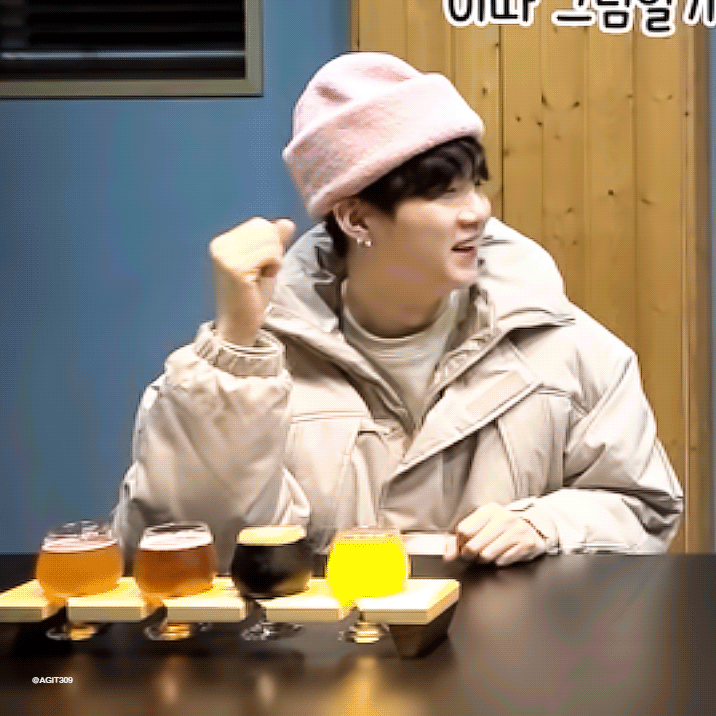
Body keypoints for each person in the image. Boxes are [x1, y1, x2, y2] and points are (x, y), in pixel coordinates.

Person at [112, 52, 682, 573]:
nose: (477, 212)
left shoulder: (568, 349)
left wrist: (548, 523)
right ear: (357, 219)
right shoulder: (258, 368)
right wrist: (235, 350)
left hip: (510, 652)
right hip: (324, 653)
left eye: (475, 186)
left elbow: (642, 506)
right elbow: (184, 549)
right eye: (444, 193)